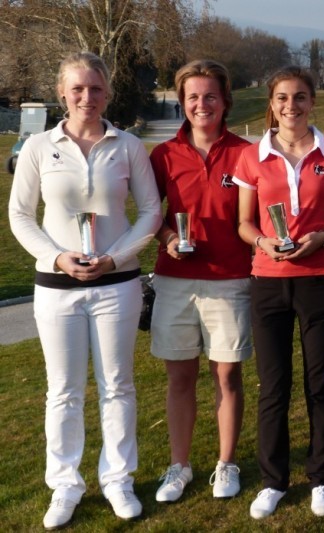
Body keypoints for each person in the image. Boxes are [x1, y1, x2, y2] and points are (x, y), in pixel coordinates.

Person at [8, 52, 161, 529]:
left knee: (118, 387)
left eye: (95, 89)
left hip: (117, 284)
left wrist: (115, 258)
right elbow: (19, 215)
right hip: (56, 288)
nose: (86, 98)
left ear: (108, 93)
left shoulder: (128, 146)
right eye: (77, 89)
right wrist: (58, 257)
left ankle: (118, 480)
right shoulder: (38, 146)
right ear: (62, 93)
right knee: (64, 391)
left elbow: (151, 212)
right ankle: (66, 485)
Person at [234, 66, 324, 519]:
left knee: (320, 383)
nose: (291, 106)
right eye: (283, 98)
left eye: (300, 97)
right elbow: (245, 224)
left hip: (319, 278)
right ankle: (274, 480)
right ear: (272, 104)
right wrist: (263, 241)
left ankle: (322, 477)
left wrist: (323, 237)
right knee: (274, 386)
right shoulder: (252, 156)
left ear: (312, 102)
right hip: (267, 281)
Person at [149, 60, 252, 504]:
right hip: (175, 279)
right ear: (182, 102)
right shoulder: (163, 155)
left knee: (227, 375)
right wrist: (169, 237)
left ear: (225, 100)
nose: (201, 104)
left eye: (210, 96)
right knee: (180, 377)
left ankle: (226, 464)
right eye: (192, 97)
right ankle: (180, 465)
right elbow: (152, 216)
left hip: (230, 279)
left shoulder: (246, 153)